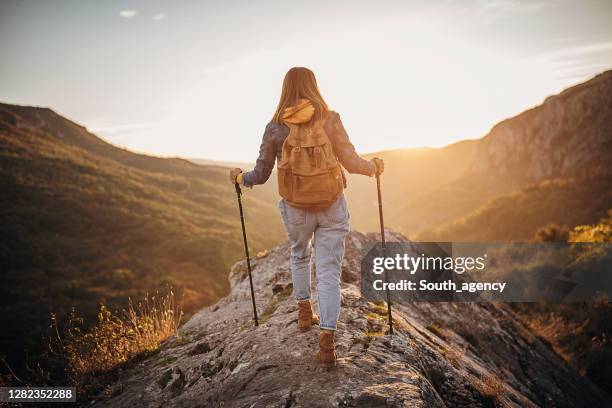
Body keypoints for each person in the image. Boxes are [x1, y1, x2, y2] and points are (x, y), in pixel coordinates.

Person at [229, 67, 383, 366]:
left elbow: (260, 174)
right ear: (314, 86)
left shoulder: (275, 125)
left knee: (300, 255)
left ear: (285, 89)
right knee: (328, 272)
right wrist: (373, 167)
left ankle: (303, 313)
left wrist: (239, 178)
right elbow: (350, 161)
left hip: (296, 206)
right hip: (332, 204)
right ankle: (326, 341)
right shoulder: (331, 118)